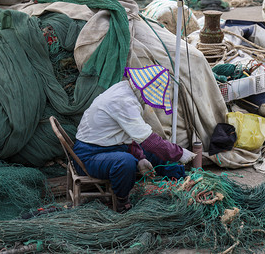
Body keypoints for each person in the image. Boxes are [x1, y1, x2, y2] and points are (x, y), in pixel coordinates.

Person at [73, 65, 197, 213]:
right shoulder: (123, 101)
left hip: (111, 145)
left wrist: (141, 157)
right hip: (89, 155)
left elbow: (130, 134)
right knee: (126, 162)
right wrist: (180, 153)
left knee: (151, 151)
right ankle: (121, 201)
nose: (146, 102)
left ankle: (182, 179)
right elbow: (147, 139)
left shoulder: (125, 87)